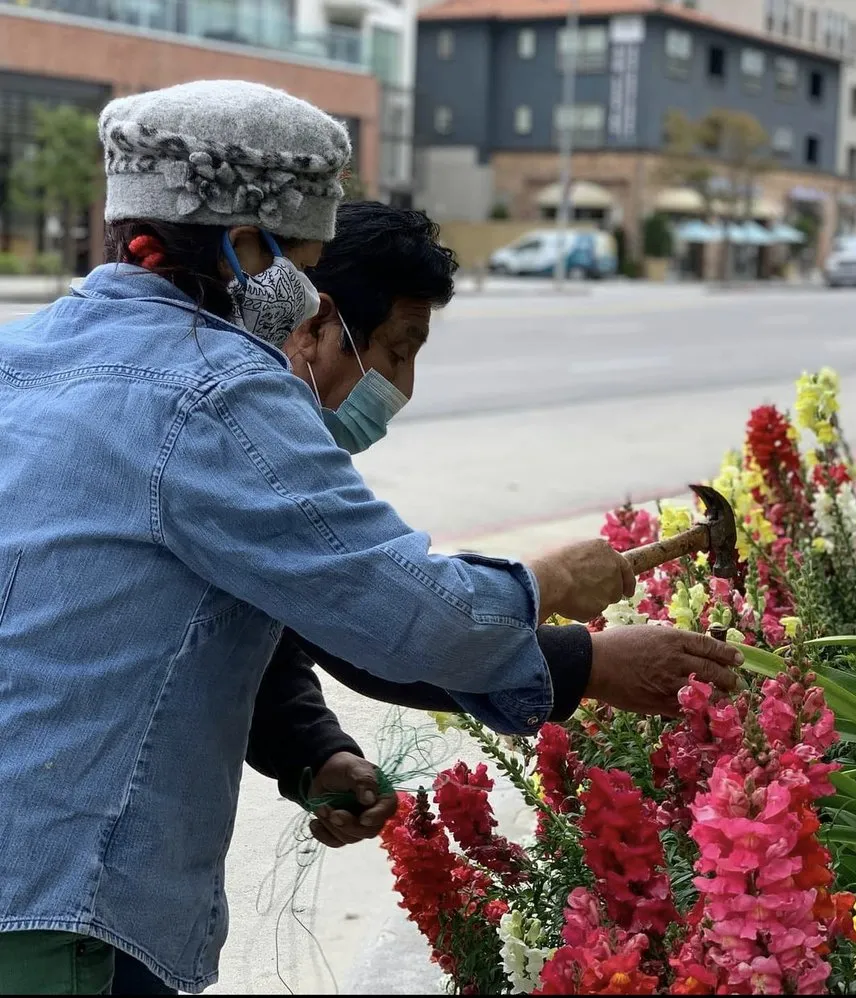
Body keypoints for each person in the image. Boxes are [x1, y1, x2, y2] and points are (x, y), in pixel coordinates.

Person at [0, 81, 740, 995]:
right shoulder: (214, 386)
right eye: (305, 264)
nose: (304, 298)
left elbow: (173, 605)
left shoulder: (22, 356)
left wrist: (309, 748)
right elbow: (406, 616)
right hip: (58, 901)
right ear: (248, 250)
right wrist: (548, 583)